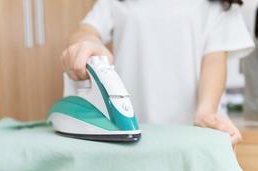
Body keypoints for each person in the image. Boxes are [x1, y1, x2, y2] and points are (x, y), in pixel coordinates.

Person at [61, 0, 254, 146]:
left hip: (195, 130)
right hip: (131, 129)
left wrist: (206, 112)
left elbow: (213, 59)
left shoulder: (218, 3)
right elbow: (86, 29)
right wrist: (87, 42)